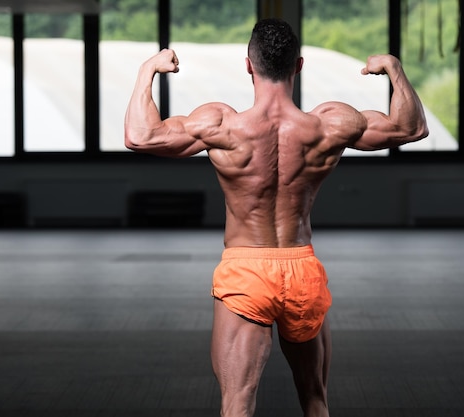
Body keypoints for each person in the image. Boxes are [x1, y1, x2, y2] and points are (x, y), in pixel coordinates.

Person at [125, 18, 428, 417]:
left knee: (237, 405)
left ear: (248, 65)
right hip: (301, 267)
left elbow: (139, 135)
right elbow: (412, 127)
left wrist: (148, 69)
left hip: (245, 271)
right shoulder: (329, 124)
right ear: (298, 66)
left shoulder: (221, 124)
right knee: (316, 402)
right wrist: (393, 67)